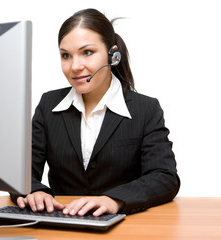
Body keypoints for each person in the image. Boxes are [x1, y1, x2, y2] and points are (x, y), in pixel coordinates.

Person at [11, 8, 180, 216]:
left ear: (113, 55)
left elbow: (164, 176)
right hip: (63, 223)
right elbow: (21, 172)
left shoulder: (145, 109)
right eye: (65, 55)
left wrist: (115, 200)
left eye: (87, 52)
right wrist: (35, 191)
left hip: (124, 226)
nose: (75, 66)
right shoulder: (49, 105)